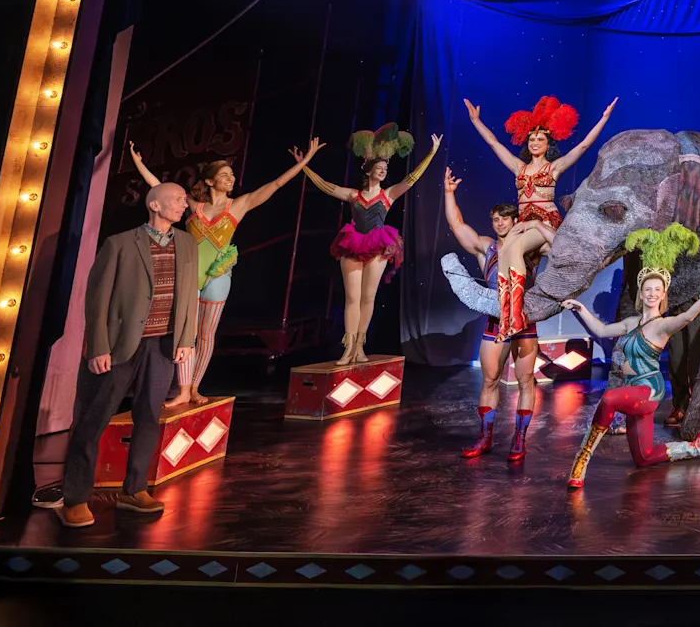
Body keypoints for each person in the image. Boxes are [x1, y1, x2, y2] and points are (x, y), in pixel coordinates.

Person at [46, 179, 199, 529]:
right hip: (120, 346)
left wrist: (186, 339)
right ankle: (76, 498)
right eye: (177, 199)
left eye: (184, 199)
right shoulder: (120, 244)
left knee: (148, 416)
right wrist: (98, 346)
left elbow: (190, 293)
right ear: (155, 205)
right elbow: (96, 300)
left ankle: (134, 489)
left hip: (163, 345)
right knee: (94, 418)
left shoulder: (188, 244)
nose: (184, 204)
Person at [128, 138, 321, 409]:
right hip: (190, 276)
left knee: (207, 335)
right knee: (187, 334)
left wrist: (303, 162)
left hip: (218, 278)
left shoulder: (238, 206)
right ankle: (182, 390)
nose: (231, 179)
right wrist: (138, 163)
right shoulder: (193, 206)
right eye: (224, 175)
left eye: (232, 175)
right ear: (209, 181)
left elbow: (275, 185)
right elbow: (158, 188)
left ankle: (195, 387)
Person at [561, 224, 700, 483]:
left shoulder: (663, 325)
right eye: (647, 289)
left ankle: (582, 459)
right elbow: (602, 330)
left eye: (657, 290)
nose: (652, 293)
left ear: (663, 295)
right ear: (641, 293)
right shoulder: (631, 323)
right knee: (645, 456)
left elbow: (688, 316)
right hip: (633, 393)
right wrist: (580, 308)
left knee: (609, 400)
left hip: (648, 390)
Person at [465, 94, 617, 337]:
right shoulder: (519, 167)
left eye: (541, 139)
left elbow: (584, 146)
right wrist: (476, 121)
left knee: (514, 250)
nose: (535, 142)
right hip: (524, 221)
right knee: (504, 252)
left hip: (544, 220)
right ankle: (506, 316)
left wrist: (604, 118)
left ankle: (516, 316)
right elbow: (494, 143)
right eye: (532, 139)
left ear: (549, 144)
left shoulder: (553, 167)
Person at [303, 123, 439, 365]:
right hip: (353, 244)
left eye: (386, 169)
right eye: (379, 168)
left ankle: (359, 347)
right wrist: (304, 165)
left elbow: (412, 179)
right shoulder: (352, 195)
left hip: (378, 245)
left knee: (368, 297)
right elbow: (324, 186)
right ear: (368, 171)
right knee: (352, 298)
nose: (383, 171)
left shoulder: (388, 195)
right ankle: (347, 349)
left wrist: (431, 153)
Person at [441, 168, 541, 461]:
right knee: (489, 380)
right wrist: (449, 193)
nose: (499, 224)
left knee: (525, 381)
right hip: (496, 319)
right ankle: (485, 437)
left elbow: (558, 244)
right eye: (495, 220)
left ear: (514, 220)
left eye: (504, 219)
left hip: (524, 320)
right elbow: (457, 224)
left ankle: (519, 439)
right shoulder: (486, 249)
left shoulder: (529, 247)